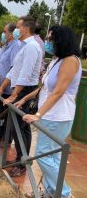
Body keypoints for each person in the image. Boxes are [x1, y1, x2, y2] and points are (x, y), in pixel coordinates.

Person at [16, 25, 81, 198]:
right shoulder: (56, 60)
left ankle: (64, 194)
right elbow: (43, 87)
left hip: (58, 117)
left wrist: (38, 114)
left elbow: (58, 91)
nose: (47, 42)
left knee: (43, 155)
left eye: (51, 39)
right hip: (49, 115)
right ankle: (52, 192)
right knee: (53, 157)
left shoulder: (71, 61)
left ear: (61, 40)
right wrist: (24, 99)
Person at [0, 16, 43, 177]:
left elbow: (25, 74)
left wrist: (14, 95)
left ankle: (22, 163)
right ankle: (21, 159)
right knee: (19, 126)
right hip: (20, 88)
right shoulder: (23, 46)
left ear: (26, 29)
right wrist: (2, 88)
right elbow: (14, 70)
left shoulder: (31, 47)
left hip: (25, 89)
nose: (16, 30)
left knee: (19, 127)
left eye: (18, 27)